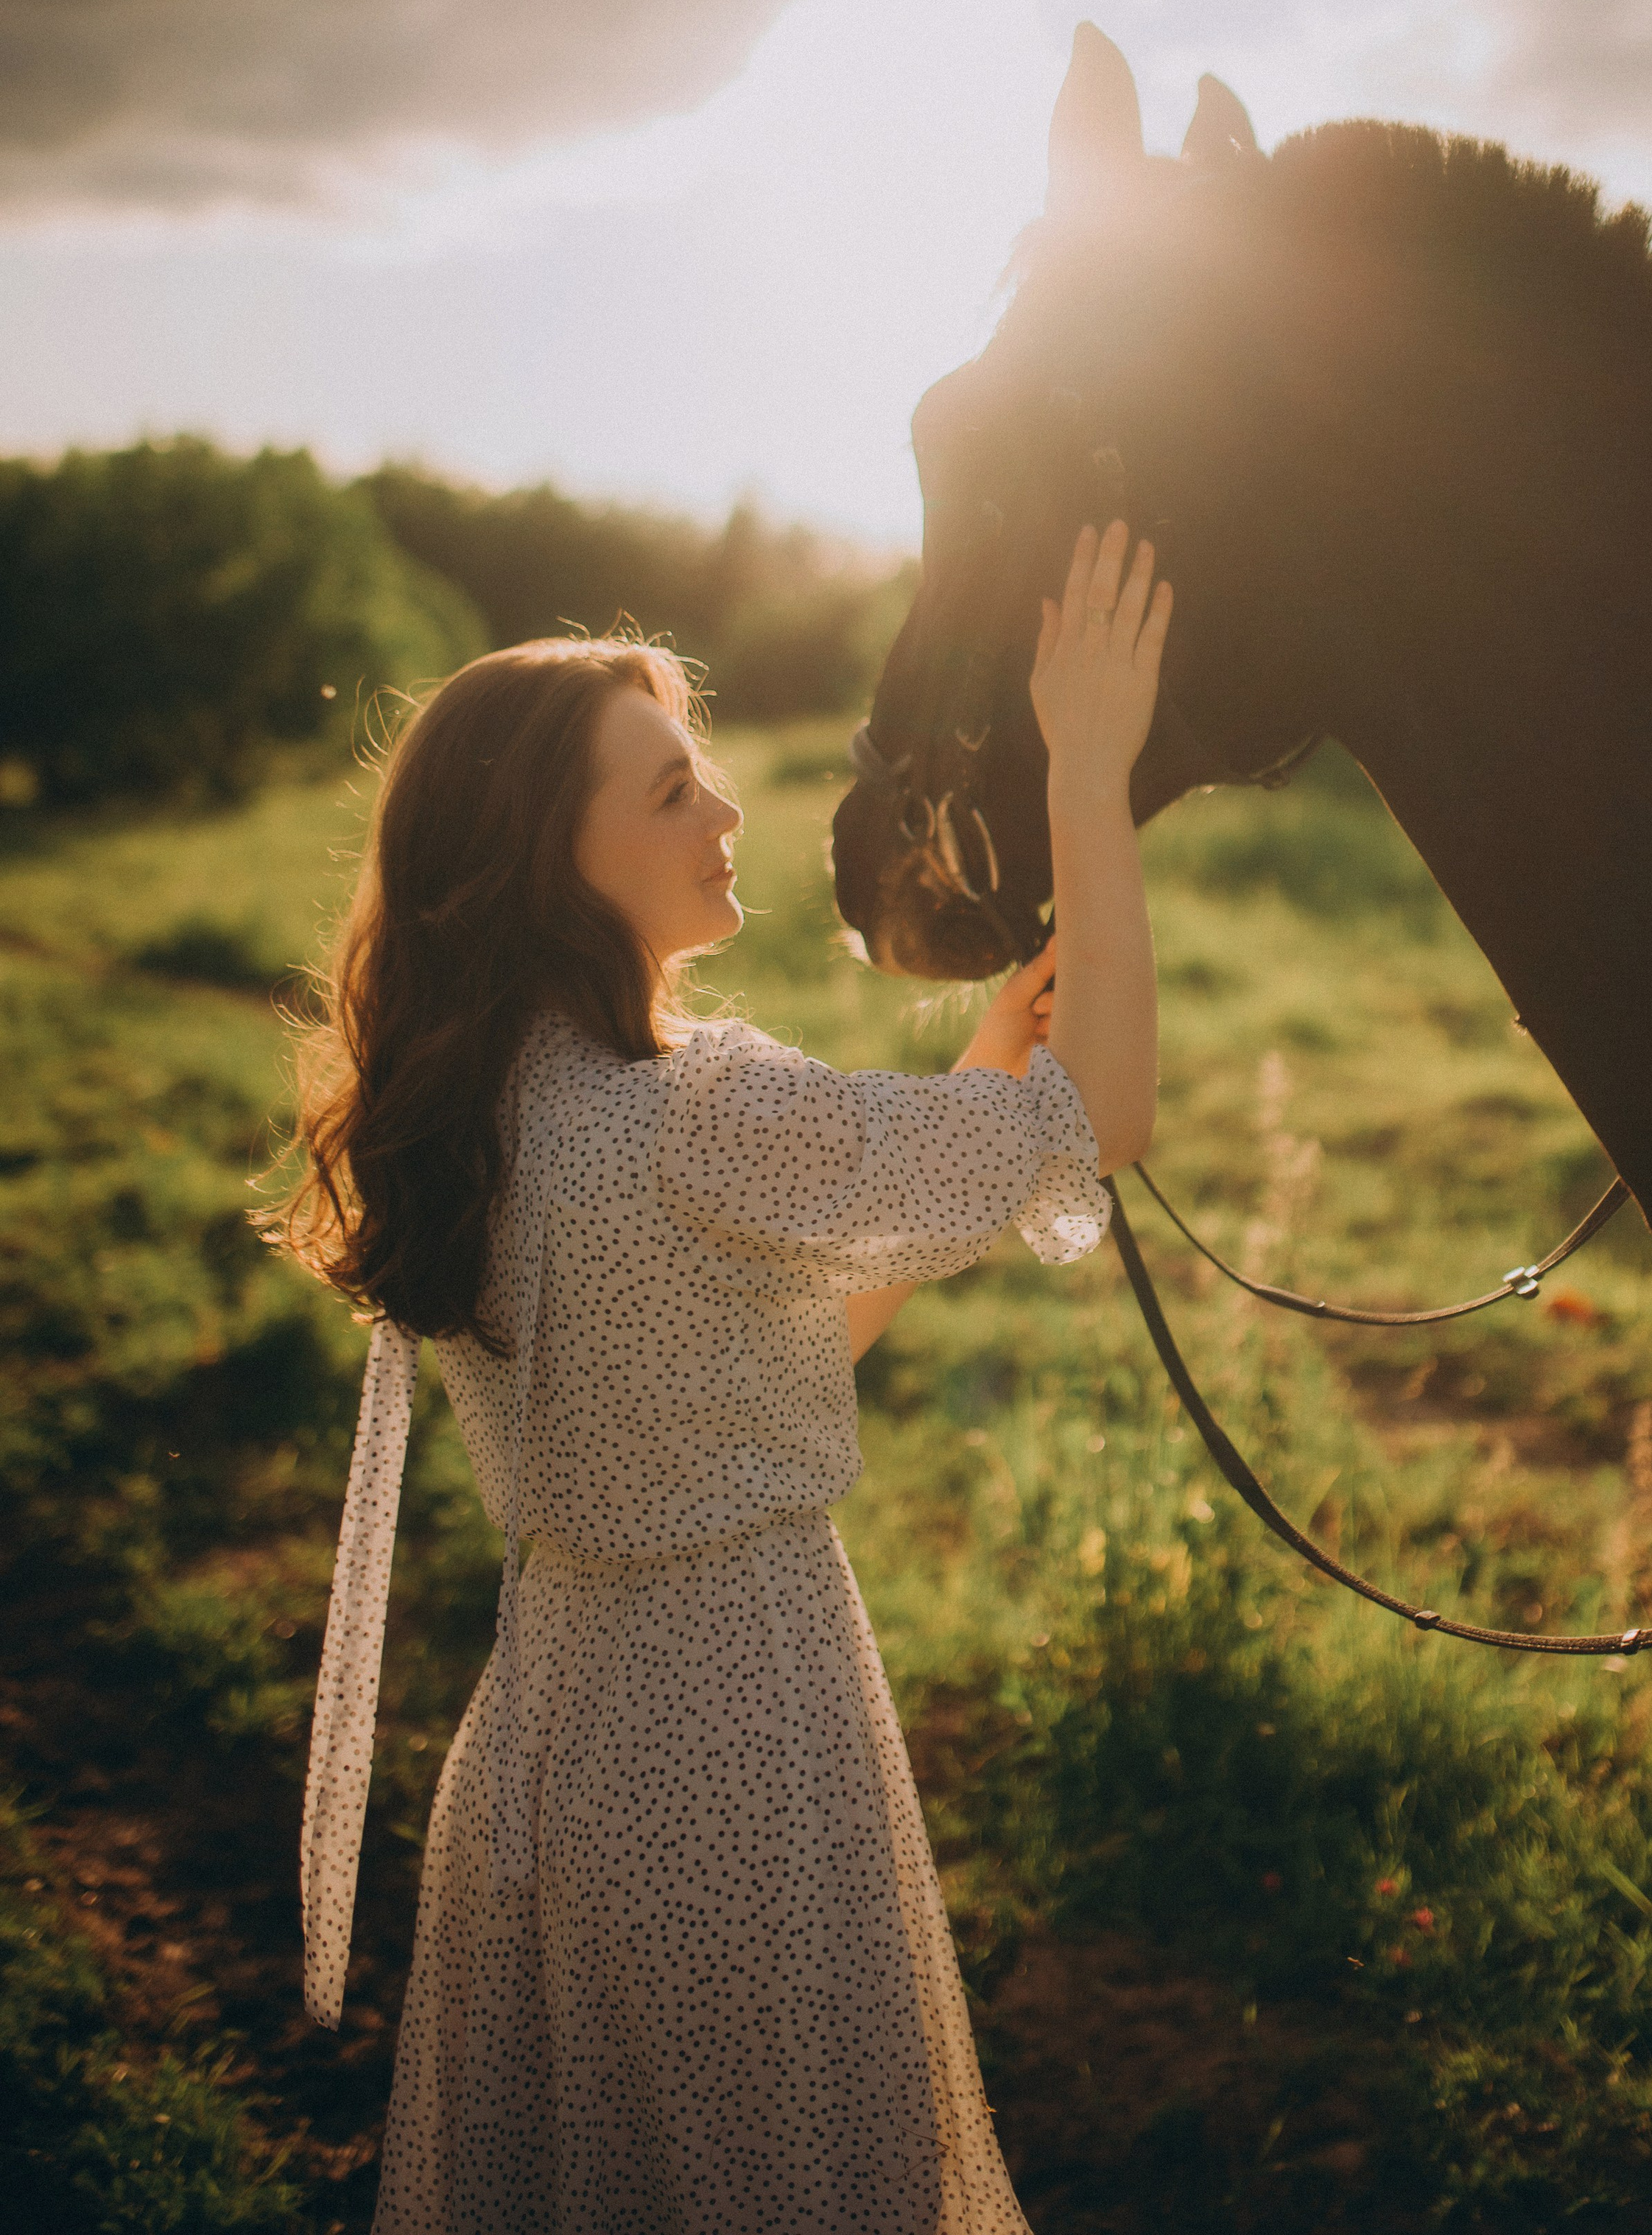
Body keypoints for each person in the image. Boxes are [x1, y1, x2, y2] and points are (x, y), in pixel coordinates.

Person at [281, 520, 1170, 2235]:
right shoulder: (699, 1112)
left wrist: (982, 1064)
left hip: (550, 1761)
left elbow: (750, 1367)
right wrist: (1089, 769)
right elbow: (1102, 1121)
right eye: (672, 791)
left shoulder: (487, 1107)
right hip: (747, 1748)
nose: (728, 814)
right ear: (555, 858)